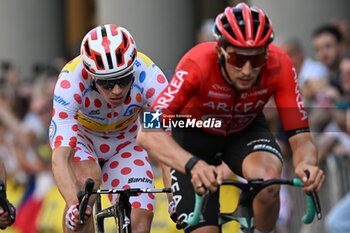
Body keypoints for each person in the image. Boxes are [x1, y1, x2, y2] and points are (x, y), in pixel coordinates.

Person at [137, 3, 325, 233]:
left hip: (245, 130)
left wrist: (306, 163)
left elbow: (301, 137)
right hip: (194, 134)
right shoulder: (196, 63)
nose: (247, 70)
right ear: (220, 51)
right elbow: (148, 131)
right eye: (237, 59)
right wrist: (191, 164)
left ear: (267, 54)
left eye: (256, 60)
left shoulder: (280, 64)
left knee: (269, 183)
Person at [49, 24, 168, 233]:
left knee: (139, 226)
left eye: (124, 79)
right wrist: (73, 207)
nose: (117, 90)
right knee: (85, 190)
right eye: (107, 83)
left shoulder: (149, 77)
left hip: (126, 143)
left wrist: (175, 198)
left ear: (133, 68)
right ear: (91, 76)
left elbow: (163, 139)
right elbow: (61, 156)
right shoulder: (71, 81)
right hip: (83, 141)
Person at [312, 24, 345, 93]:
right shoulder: (317, 76)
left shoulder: (346, 74)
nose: (323, 53)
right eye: (318, 49)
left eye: (328, 46)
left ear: (341, 46)